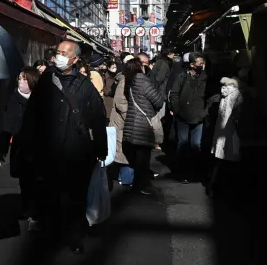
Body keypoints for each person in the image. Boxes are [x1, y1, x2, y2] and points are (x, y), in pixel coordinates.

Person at [18, 41, 107, 255]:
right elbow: (31, 116)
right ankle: (53, 235)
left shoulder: (85, 85)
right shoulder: (46, 81)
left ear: (75, 59)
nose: (59, 56)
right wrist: (27, 146)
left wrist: (100, 149)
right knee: (50, 195)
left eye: (64, 53)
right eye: (57, 52)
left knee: (75, 197)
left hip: (78, 152)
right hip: (47, 150)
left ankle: (73, 237)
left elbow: (97, 117)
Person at [0, 67, 40, 230]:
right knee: (26, 182)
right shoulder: (13, 99)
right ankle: (30, 213)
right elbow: (7, 125)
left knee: (38, 182)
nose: (20, 82)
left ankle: (35, 213)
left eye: (24, 79)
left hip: (39, 148)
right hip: (21, 147)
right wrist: (2, 146)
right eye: (19, 78)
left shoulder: (41, 99)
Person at [122, 57, 164, 195]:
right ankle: (142, 186)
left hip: (131, 123)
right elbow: (157, 100)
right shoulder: (142, 79)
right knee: (143, 160)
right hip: (143, 124)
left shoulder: (129, 81)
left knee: (138, 159)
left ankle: (142, 185)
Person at [170, 52, 208, 184]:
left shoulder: (205, 77)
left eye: (203, 63)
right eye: (199, 63)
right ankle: (181, 172)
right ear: (192, 64)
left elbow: (209, 97)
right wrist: (177, 110)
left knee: (196, 145)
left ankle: (195, 172)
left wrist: (204, 113)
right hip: (183, 116)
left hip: (199, 116)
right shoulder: (182, 77)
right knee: (183, 143)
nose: (202, 65)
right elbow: (174, 94)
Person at [207, 77, 241, 198]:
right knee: (230, 164)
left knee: (218, 162)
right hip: (232, 134)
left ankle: (213, 188)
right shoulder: (237, 96)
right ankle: (226, 192)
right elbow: (238, 117)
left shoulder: (223, 95)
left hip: (220, 134)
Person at [108, 55, 135, 186]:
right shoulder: (124, 81)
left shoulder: (125, 80)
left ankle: (122, 177)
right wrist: (130, 118)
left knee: (122, 152)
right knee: (125, 152)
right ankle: (126, 180)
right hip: (121, 122)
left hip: (121, 122)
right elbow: (120, 102)